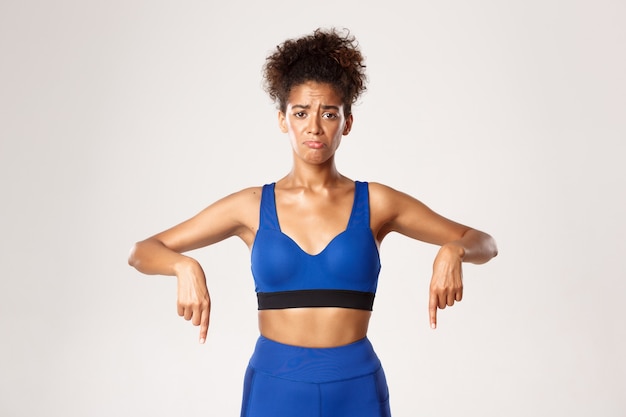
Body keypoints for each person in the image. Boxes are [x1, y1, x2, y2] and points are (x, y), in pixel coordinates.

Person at [128, 27, 497, 417]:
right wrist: (183, 265)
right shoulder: (251, 206)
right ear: (283, 120)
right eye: (301, 113)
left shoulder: (377, 203)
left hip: (356, 388)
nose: (314, 127)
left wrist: (454, 249)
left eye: (329, 113)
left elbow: (484, 242)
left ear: (347, 122)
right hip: (274, 386)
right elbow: (142, 252)